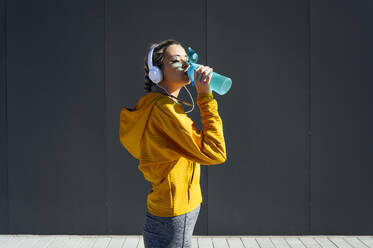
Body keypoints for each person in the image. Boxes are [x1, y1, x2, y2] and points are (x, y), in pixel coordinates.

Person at [119, 39, 227, 248]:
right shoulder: (165, 110)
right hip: (174, 212)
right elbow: (216, 152)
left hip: (170, 209)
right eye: (176, 61)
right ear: (156, 73)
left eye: (187, 59)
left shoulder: (158, 105)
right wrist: (205, 97)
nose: (186, 65)